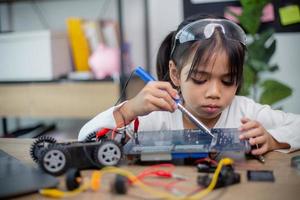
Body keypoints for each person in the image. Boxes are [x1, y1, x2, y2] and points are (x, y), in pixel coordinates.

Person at [78, 15, 300, 155]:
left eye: (227, 80)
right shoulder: (158, 115)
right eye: (200, 79)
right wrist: (128, 111)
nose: (214, 93)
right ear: (175, 74)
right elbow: (84, 139)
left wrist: (273, 140)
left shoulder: (245, 111)